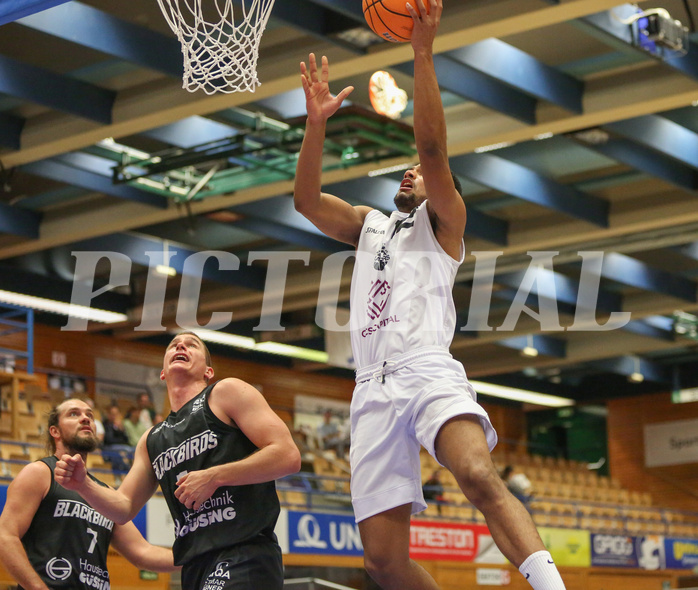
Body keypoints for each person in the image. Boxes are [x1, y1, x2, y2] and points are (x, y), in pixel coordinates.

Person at [293, 1, 566, 588]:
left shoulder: (445, 225)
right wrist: (315, 124)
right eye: (407, 168)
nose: (409, 171)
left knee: (476, 473)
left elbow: (436, 151)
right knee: (383, 562)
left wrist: (421, 51)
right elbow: (308, 203)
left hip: (426, 369)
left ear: (442, 190)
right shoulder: (370, 224)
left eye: (417, 170)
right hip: (371, 388)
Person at [55, 331, 302, 590]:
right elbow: (123, 507)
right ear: (163, 372)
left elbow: (287, 455)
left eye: (191, 344)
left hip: (244, 553)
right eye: (173, 345)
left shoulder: (226, 392)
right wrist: (83, 484)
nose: (180, 345)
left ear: (208, 371)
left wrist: (214, 476)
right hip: (195, 565)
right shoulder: (152, 438)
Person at [0, 398, 178, 590]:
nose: (85, 418)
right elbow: (5, 536)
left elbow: (143, 553)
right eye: (74, 414)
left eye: (89, 415)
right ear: (55, 431)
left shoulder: (106, 494)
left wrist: (195, 554)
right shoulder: (40, 473)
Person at [102, 403, 133, 474]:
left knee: (132, 450)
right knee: (124, 451)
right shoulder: (106, 424)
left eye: (116, 414)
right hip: (108, 447)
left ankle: (129, 472)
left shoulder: (119, 426)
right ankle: (125, 472)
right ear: (109, 415)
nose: (114, 416)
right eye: (113, 414)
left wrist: (120, 430)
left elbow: (126, 440)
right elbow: (109, 440)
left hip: (120, 447)